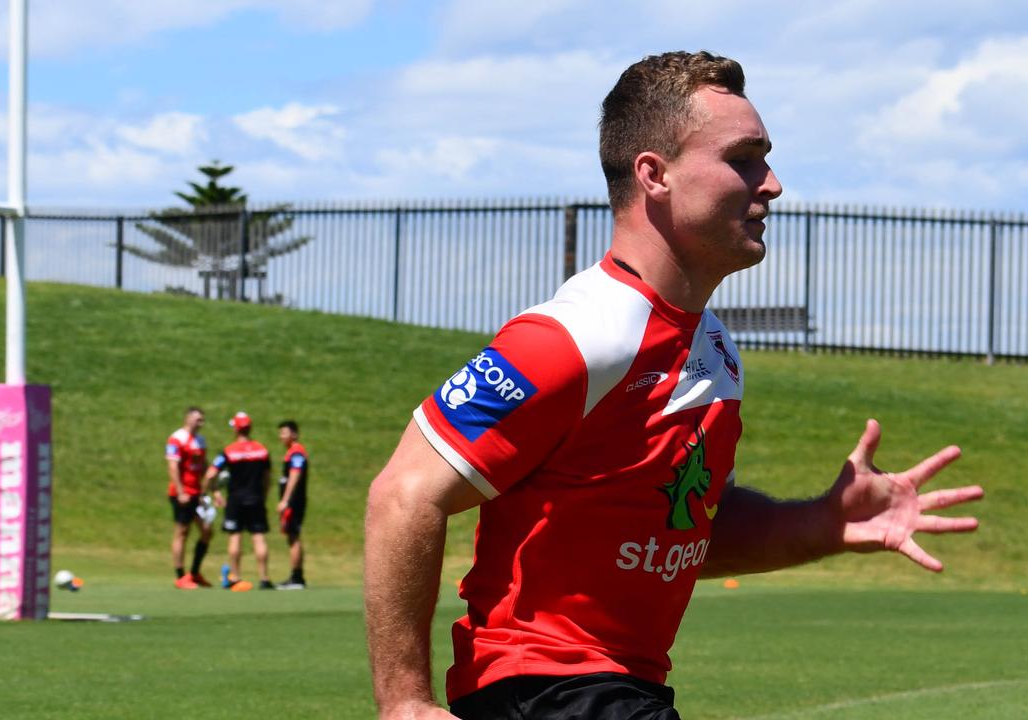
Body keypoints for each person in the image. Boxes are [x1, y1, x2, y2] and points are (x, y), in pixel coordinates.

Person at [364, 51, 985, 719]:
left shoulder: (713, 347)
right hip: (545, 690)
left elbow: (686, 527)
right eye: (744, 158)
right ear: (654, 175)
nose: (770, 183)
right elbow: (403, 493)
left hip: (618, 692)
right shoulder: (578, 337)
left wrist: (824, 523)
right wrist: (405, 703)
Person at [204, 411, 275, 591]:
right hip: (256, 498)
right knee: (259, 537)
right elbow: (267, 477)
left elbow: (211, 474)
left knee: (235, 536)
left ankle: (235, 576)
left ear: (236, 429)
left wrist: (214, 491)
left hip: (235, 499)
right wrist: (264, 495)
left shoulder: (229, 451)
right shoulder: (262, 450)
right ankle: (264, 578)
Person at [166, 406, 214, 589]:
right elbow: (173, 466)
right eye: (198, 419)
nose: (201, 423)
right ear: (188, 419)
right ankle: (180, 576)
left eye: (202, 420)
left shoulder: (200, 440)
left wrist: (208, 490)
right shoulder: (177, 438)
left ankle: (194, 572)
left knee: (207, 531)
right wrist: (180, 491)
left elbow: (203, 466)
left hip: (197, 494)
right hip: (182, 493)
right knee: (182, 532)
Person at [275, 419, 309, 589]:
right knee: (292, 536)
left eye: (284, 432)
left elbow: (295, 474)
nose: (281, 436)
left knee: (293, 536)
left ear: (294, 434)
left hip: (294, 502)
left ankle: (296, 578)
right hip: (292, 502)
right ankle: (297, 576)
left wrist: (285, 500)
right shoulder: (291, 452)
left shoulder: (297, 453)